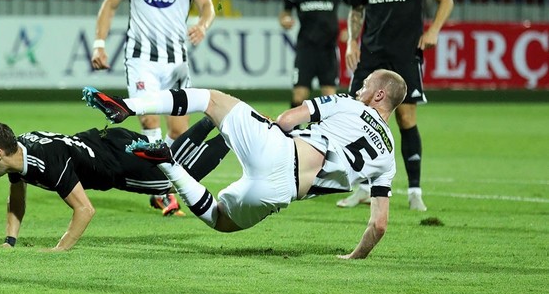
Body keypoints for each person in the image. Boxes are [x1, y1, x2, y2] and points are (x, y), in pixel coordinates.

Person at [81, 67, 407, 259]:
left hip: (280, 147)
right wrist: (354, 257)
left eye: (366, 86)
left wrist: (267, 127)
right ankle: (167, 163)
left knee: (210, 100)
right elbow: (379, 224)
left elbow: (289, 118)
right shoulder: (389, 158)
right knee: (221, 220)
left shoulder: (347, 105)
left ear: (379, 95)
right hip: (282, 189)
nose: (359, 89)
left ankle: (126, 106)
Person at [90, 0, 215, 208]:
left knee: (178, 130)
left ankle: (162, 180)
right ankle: (162, 191)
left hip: (176, 62)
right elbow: (109, 5)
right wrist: (99, 43)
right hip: (141, 58)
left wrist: (203, 23)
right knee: (147, 116)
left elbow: (207, 5)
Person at [339, 0, 454, 212]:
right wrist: (352, 41)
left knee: (406, 119)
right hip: (371, 57)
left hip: (404, 55)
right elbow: (356, 10)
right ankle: (362, 188)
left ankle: (414, 191)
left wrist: (434, 31)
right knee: (358, 121)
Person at [0, 118, 229, 251]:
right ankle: (211, 120)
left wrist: (60, 249)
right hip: (107, 140)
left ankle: (230, 132)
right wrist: (10, 240)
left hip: (118, 163)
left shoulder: (47, 163)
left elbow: (85, 210)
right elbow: (17, 199)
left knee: (173, 180)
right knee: (173, 159)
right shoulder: (18, 151)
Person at [279, 0, 350, 108]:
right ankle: (293, 133)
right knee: (298, 96)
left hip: (328, 49)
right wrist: (284, 20)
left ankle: (328, 133)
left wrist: (351, 29)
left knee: (330, 98)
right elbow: (284, 13)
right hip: (305, 49)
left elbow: (358, 7)